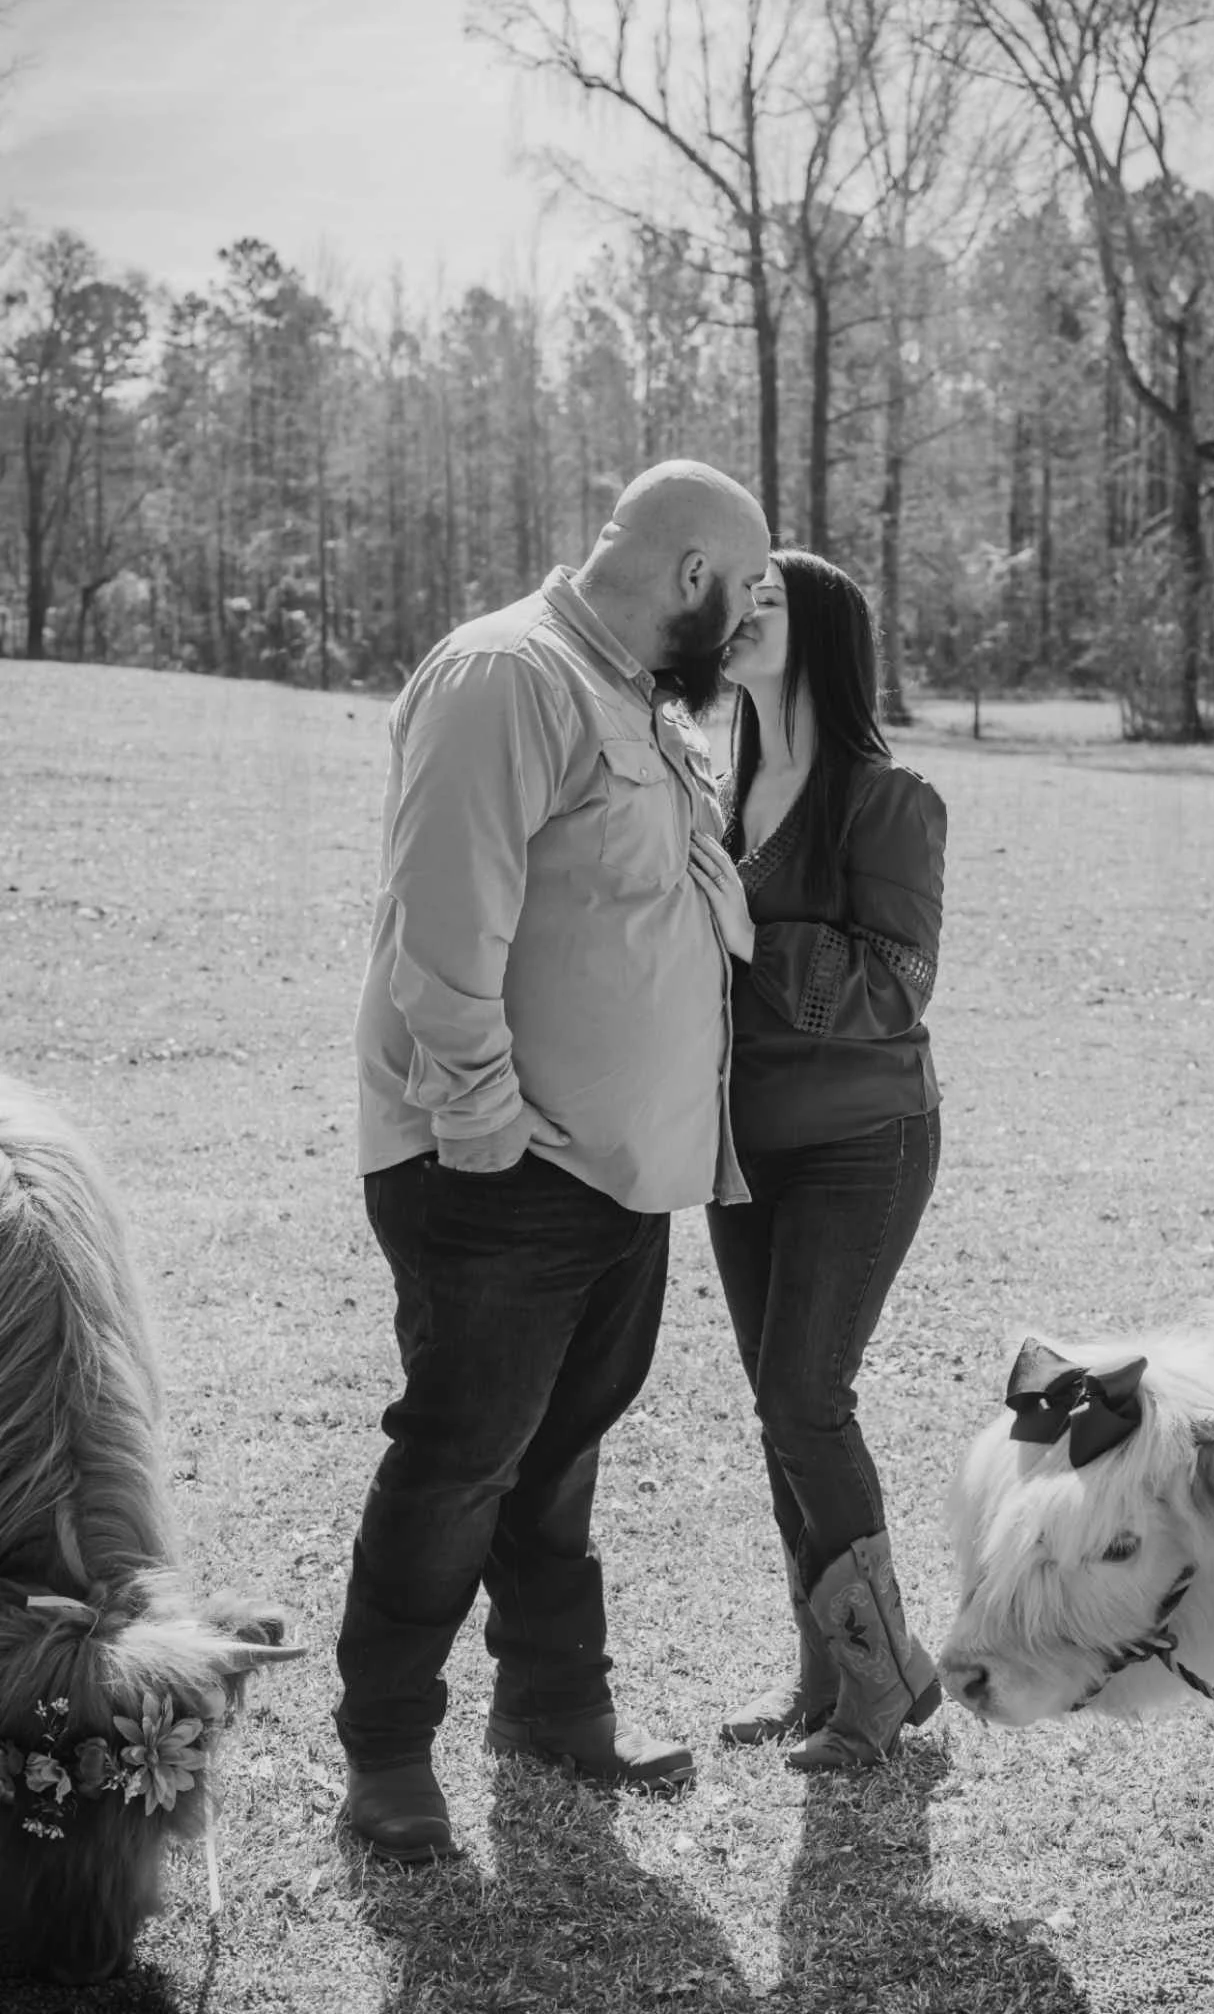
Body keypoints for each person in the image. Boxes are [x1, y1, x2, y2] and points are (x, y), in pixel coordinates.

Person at [337, 460, 771, 1859]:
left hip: (618, 1172)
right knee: (459, 1459)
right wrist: (476, 1126)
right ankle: (389, 1756)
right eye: (746, 587)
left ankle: (551, 1708)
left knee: (559, 1453)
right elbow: (441, 921)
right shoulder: (504, 676)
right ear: (692, 574)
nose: (753, 613)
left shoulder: (638, 695)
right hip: (503, 1165)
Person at [687, 548, 946, 1771]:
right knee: (777, 1409)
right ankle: (832, 1676)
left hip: (863, 1140)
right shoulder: (711, 791)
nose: (739, 617)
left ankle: (882, 1682)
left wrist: (746, 927)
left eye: (768, 602)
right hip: (744, 1152)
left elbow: (899, 990)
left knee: (805, 1395)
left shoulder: (889, 799)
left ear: (825, 636)